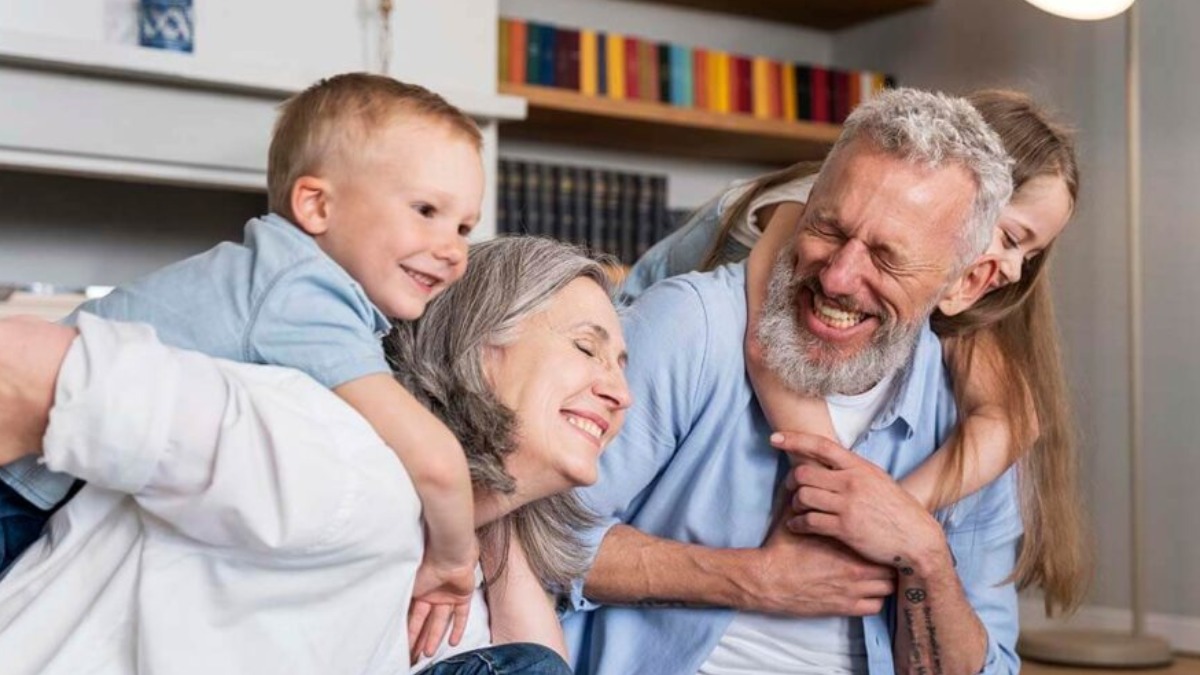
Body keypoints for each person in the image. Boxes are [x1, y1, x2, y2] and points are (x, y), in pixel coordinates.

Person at [0, 236, 631, 675]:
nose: (619, 391)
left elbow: (533, 660)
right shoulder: (325, 448)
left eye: (622, 366)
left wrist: (495, 510)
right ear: (478, 342)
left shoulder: (457, 588)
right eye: (586, 348)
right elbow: (18, 365)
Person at [0, 73, 486, 636]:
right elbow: (434, 460)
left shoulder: (277, 277)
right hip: (20, 482)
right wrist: (454, 561)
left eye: (465, 227)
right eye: (426, 210)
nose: (452, 249)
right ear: (316, 206)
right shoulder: (303, 292)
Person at [560, 88, 1021, 674]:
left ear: (967, 284)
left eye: (886, 256)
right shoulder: (691, 327)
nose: (839, 276)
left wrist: (924, 554)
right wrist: (753, 580)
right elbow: (529, 535)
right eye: (828, 228)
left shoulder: (966, 425)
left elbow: (989, 669)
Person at [626, 88, 1088, 614]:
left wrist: (896, 514)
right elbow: (765, 347)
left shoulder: (950, 293)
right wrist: (838, 509)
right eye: (1010, 237)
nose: (1012, 269)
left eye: (1031, 254)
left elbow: (1014, 417)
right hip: (623, 339)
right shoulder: (814, 207)